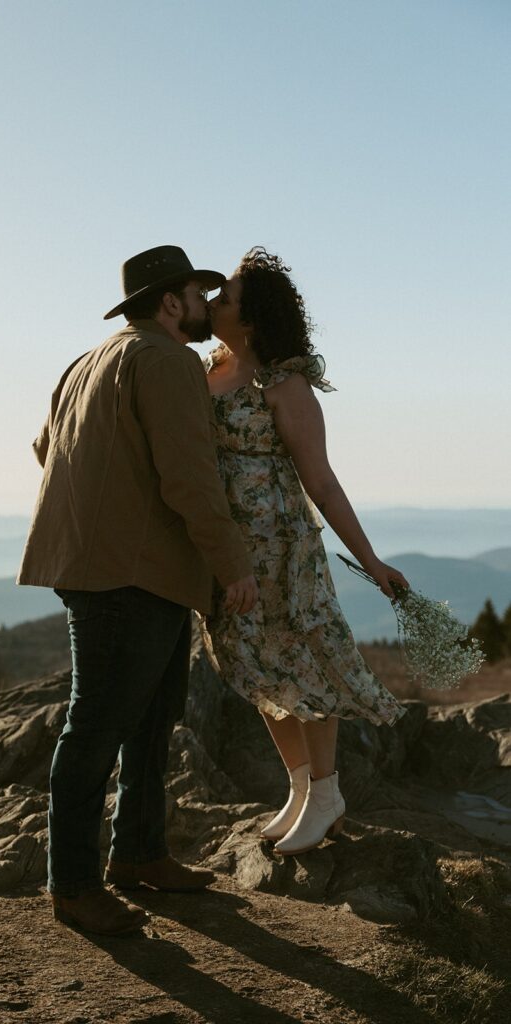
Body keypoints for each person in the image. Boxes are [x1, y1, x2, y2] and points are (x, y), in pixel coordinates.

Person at [17, 245, 258, 936]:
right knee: (96, 726)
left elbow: (47, 447)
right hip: (130, 569)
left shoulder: (90, 359)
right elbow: (188, 475)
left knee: (151, 717)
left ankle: (139, 853)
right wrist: (230, 561)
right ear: (169, 302)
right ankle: (73, 886)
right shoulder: (164, 361)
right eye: (194, 292)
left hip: (103, 563)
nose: (204, 305)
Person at [200, 246, 408, 857]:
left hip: (281, 550)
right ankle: (299, 789)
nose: (215, 304)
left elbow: (321, 480)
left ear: (253, 318)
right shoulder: (205, 372)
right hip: (226, 550)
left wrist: (371, 561)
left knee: (302, 663)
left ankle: (326, 792)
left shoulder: (283, 385)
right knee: (250, 665)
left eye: (227, 298)